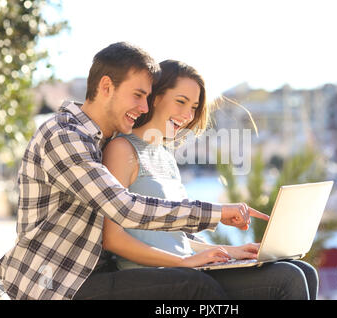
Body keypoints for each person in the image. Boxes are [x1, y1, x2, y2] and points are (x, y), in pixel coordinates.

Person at [0, 42, 268, 300]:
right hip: (58, 284)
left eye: (148, 97)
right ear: (106, 86)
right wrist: (217, 213)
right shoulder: (64, 137)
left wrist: (228, 253)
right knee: (194, 286)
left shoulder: (101, 140)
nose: (144, 107)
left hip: (93, 274)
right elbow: (124, 208)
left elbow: (156, 231)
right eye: (138, 95)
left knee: (287, 274)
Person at [93, 60, 319, 300]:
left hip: (187, 267)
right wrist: (184, 262)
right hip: (153, 277)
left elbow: (176, 237)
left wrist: (232, 251)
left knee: (305, 271)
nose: (187, 115)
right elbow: (113, 238)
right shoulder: (121, 148)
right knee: (287, 278)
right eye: (181, 101)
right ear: (155, 97)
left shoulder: (166, 156)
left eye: (194, 106)